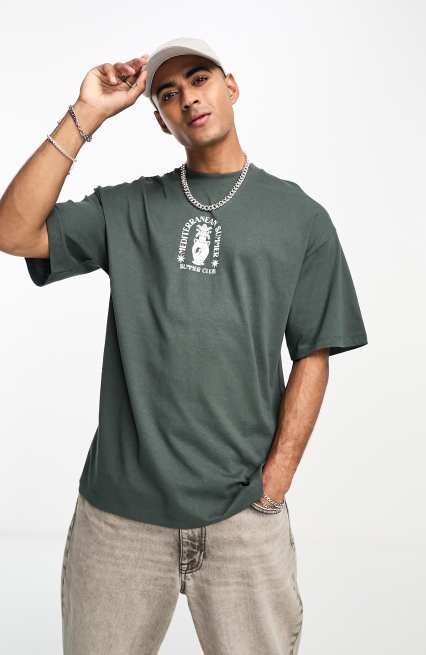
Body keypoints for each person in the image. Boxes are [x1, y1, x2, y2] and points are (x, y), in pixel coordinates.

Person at [0, 37, 368, 654]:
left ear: (231, 86)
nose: (188, 99)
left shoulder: (300, 218)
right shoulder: (129, 208)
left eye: (199, 79)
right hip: (119, 519)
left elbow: (314, 351)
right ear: (160, 120)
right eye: (168, 94)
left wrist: (274, 484)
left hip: (242, 515)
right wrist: (86, 113)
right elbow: (13, 231)